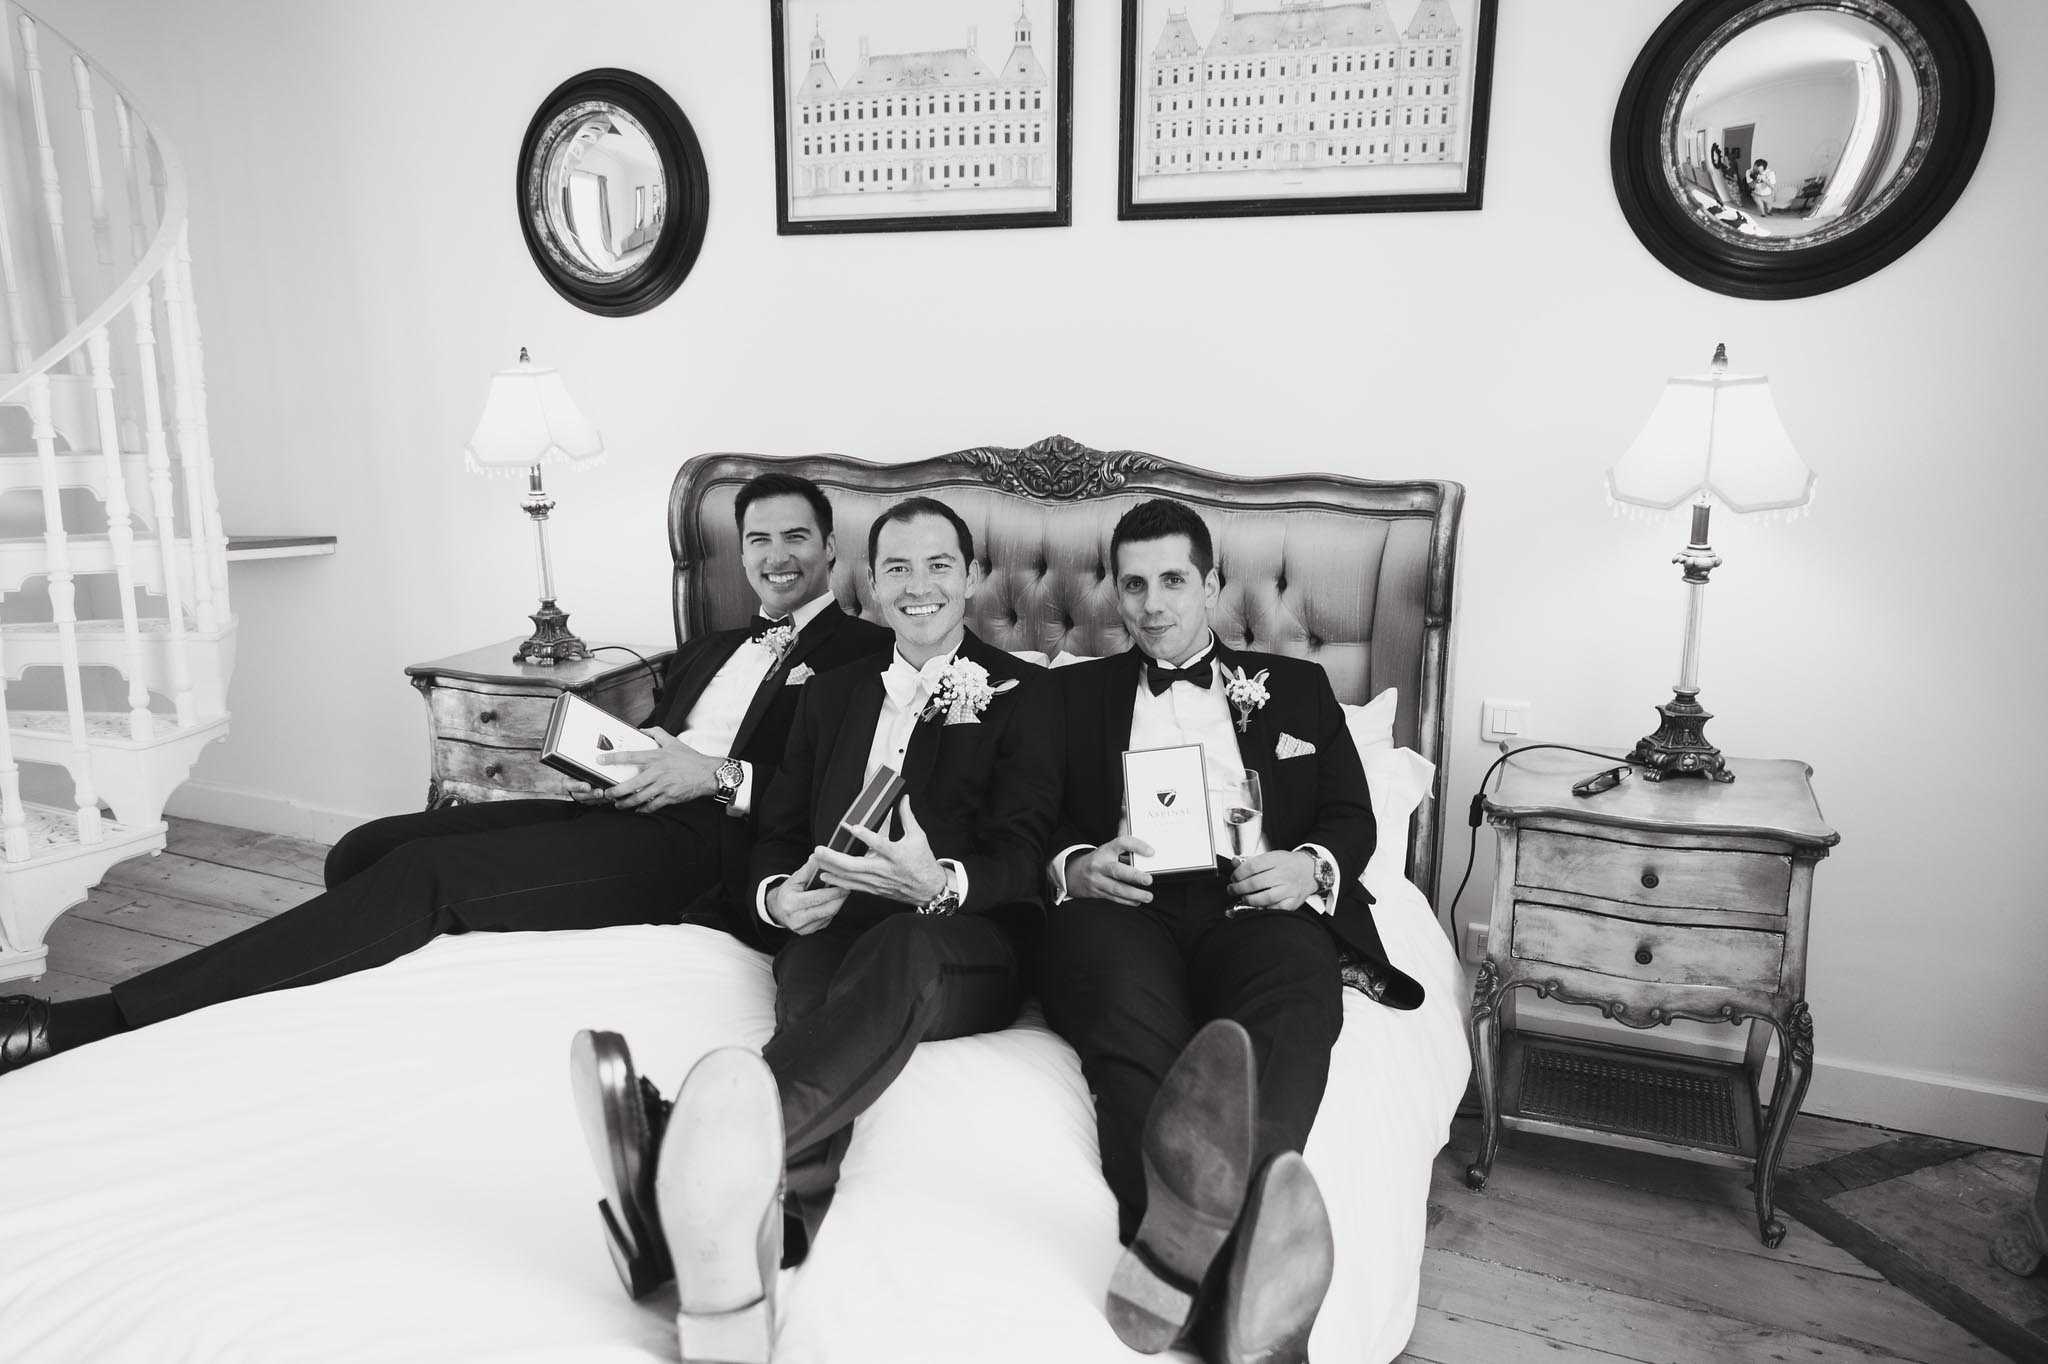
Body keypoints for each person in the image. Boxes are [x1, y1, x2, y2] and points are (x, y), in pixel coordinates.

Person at [0, 473, 889, 1075]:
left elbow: (835, 794)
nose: (777, 556)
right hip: (619, 810)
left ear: (831, 552)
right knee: (364, 847)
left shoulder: (866, 655)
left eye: (796, 539)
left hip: (708, 847)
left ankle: (88, 1022)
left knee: (426, 876)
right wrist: (607, 758)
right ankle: (350, 970)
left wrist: (716, 777)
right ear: (739, 553)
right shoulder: (716, 644)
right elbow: (655, 730)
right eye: (759, 539)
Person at [571, 496, 1060, 1363]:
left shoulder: (1029, 694)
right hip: (831, 924)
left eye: (939, 565)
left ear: (973, 576)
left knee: (899, 951)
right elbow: (777, 835)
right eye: (897, 568)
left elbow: (1030, 857)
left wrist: (938, 880)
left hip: (960, 935)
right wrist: (776, 900)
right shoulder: (830, 695)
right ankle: (757, 1253)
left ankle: (680, 1150)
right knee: (807, 998)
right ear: (868, 584)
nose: (918, 586)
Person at [1040, 498, 1422, 1364]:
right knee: (1126, 1033)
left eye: (1173, 580)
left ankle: (1186, 1267)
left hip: (1256, 902)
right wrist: (1074, 863)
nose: (1151, 604)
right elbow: (1026, 823)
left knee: (1295, 999)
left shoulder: (1297, 687)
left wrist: (1308, 865)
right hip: (1123, 908)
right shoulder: (1065, 693)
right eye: (1132, 584)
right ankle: (1244, 1306)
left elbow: (1350, 817)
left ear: (1211, 585)